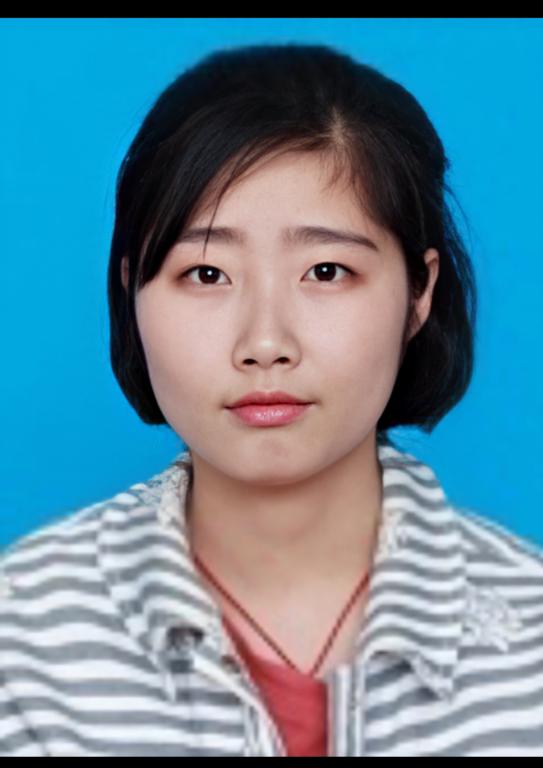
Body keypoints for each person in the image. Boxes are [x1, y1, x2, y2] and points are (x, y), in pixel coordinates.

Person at [1, 42, 542, 757]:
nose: (264, 342)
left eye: (326, 271)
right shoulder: (22, 640)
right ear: (132, 293)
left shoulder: (530, 638)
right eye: (206, 274)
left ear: (419, 293)